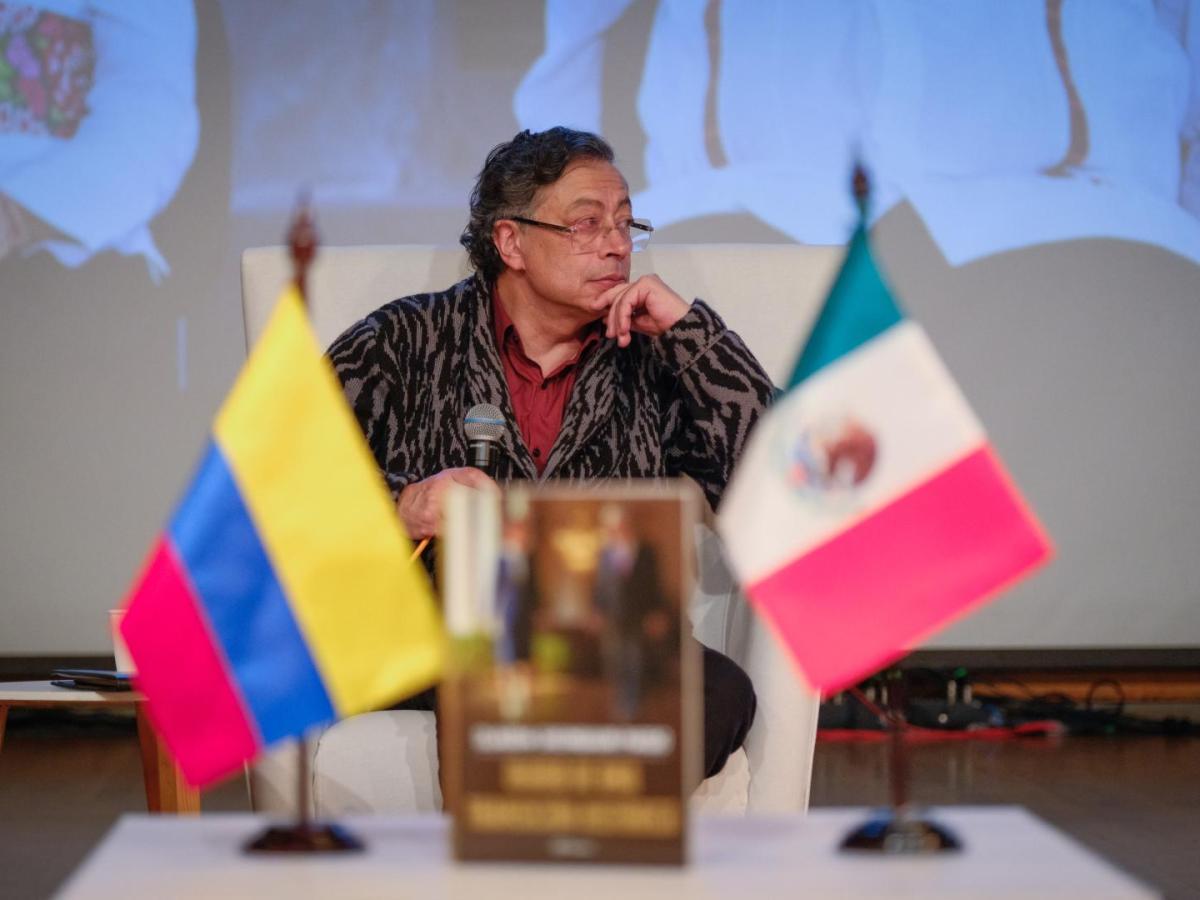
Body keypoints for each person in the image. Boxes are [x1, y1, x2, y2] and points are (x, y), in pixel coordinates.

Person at [328, 126, 772, 781]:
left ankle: (567, 836)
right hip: (443, 641)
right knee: (487, 663)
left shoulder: (651, 356)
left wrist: (692, 335)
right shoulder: (402, 343)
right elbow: (285, 484)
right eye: (587, 223)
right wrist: (405, 505)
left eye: (626, 223)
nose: (618, 244)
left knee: (721, 692)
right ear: (510, 241)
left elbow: (778, 479)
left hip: (619, 642)